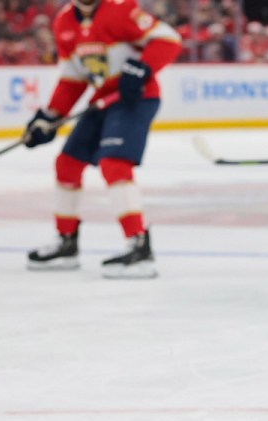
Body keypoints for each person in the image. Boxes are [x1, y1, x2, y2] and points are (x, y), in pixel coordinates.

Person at [23, 0, 181, 278]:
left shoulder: (120, 9)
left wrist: (142, 67)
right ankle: (66, 242)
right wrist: (50, 117)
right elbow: (72, 79)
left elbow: (168, 40)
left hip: (135, 99)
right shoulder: (64, 23)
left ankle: (139, 245)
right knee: (67, 163)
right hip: (103, 100)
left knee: (114, 163)